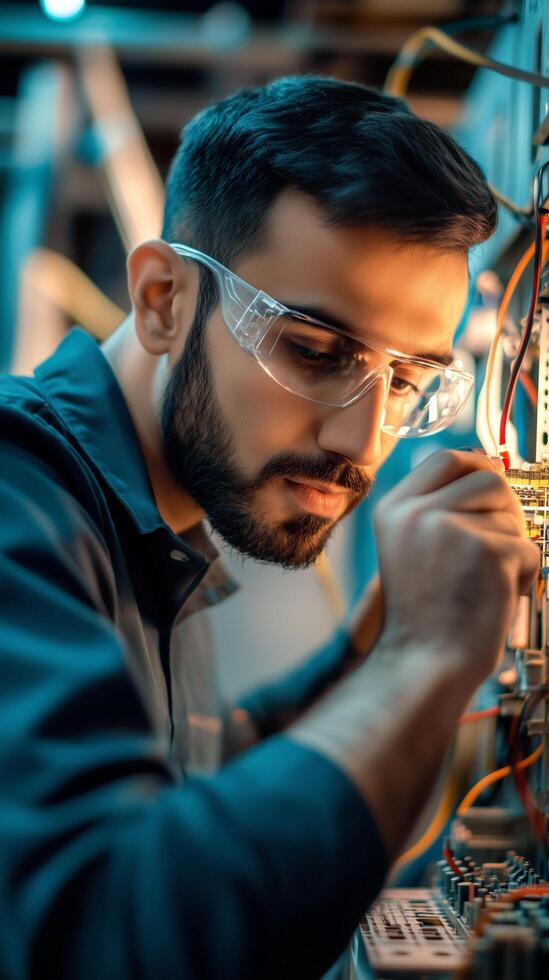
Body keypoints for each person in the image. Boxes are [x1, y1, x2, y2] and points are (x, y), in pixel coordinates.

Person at [0, 76, 538, 980]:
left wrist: (360, 663)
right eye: (317, 352)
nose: (360, 442)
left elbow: (186, 778)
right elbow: (101, 933)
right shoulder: (21, 497)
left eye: (406, 382)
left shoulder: (149, 532)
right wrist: (422, 660)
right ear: (164, 298)